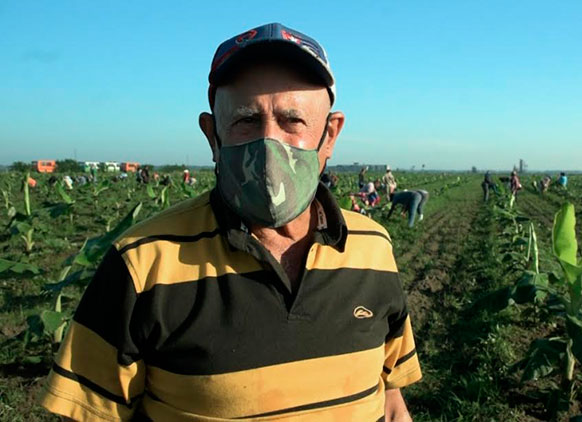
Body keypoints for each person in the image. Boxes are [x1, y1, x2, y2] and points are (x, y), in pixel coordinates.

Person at [40, 22, 420, 422]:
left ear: (329, 136)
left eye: (292, 121)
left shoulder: (373, 247)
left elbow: (390, 397)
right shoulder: (142, 263)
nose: (270, 146)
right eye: (246, 121)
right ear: (212, 136)